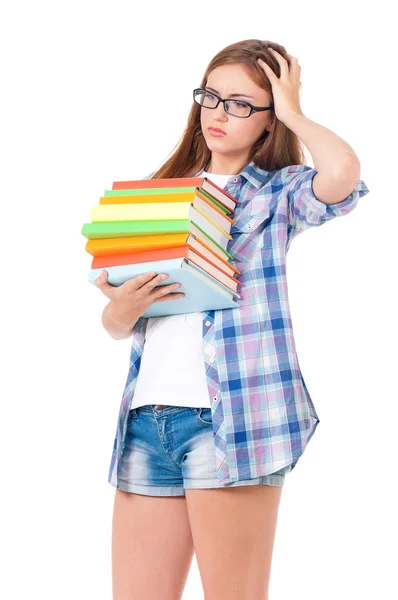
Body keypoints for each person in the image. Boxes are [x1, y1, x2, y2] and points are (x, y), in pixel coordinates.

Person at [95, 39, 369, 600]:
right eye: (212, 96)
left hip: (235, 426)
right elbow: (123, 325)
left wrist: (294, 111)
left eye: (243, 104)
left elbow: (341, 176)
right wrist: (118, 312)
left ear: (269, 121)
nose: (219, 112)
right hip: (147, 422)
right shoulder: (156, 197)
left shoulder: (278, 194)